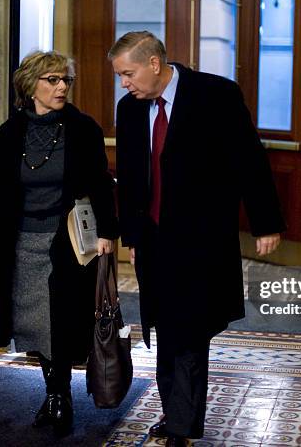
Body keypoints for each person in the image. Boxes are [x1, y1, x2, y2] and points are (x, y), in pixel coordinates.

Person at [109, 31, 285, 445]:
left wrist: (266, 223)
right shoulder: (129, 109)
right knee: (165, 329)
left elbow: (249, 159)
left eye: (128, 73)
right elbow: (133, 178)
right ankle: (176, 414)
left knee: (189, 331)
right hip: (153, 240)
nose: (124, 84)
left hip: (201, 241)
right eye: (120, 76)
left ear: (154, 64)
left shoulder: (215, 95)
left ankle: (181, 426)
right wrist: (132, 238)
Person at [0, 51, 118, 435]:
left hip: (64, 243)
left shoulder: (83, 129)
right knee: (31, 322)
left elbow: (101, 182)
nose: (62, 86)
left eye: (66, 79)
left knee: (60, 321)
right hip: (17, 241)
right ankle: (55, 393)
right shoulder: (12, 130)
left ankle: (59, 397)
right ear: (30, 85)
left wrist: (108, 233)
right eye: (52, 79)